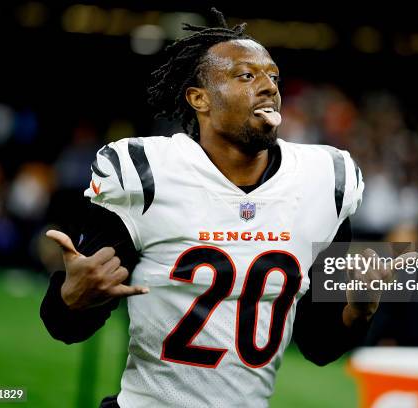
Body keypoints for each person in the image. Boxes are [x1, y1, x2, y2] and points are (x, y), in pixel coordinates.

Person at [41, 9, 373, 407]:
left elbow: (319, 346)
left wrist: (358, 310)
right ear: (200, 99)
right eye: (246, 76)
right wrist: (69, 298)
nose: (268, 86)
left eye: (273, 76)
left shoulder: (326, 180)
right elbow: (67, 325)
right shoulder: (147, 174)